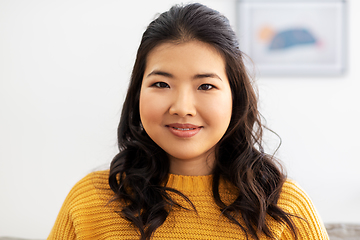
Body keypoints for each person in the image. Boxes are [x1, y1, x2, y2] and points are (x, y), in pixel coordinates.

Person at [48, 3, 329, 240]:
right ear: (136, 93)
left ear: (236, 97)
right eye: (161, 84)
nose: (182, 108)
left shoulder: (285, 206)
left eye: (205, 86)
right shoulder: (89, 202)